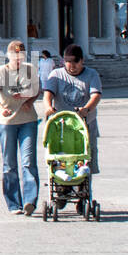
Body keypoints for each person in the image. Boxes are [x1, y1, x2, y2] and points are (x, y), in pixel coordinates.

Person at [0, 39, 41, 215]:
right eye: (15, 56)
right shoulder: (1, 72)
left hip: (28, 120)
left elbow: (37, 89)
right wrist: (1, 108)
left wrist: (30, 100)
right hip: (6, 123)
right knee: (9, 164)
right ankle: (14, 204)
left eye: (21, 56)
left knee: (28, 161)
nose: (18, 59)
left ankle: (30, 201)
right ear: (9, 55)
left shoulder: (30, 70)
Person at [43, 44, 103, 174]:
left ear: (82, 60)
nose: (71, 65)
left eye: (75, 61)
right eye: (68, 62)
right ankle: (63, 185)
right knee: (62, 159)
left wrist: (86, 109)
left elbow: (96, 95)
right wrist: (48, 107)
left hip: (85, 124)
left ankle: (85, 191)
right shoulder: (56, 74)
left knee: (86, 160)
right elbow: (48, 93)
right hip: (63, 126)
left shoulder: (91, 74)